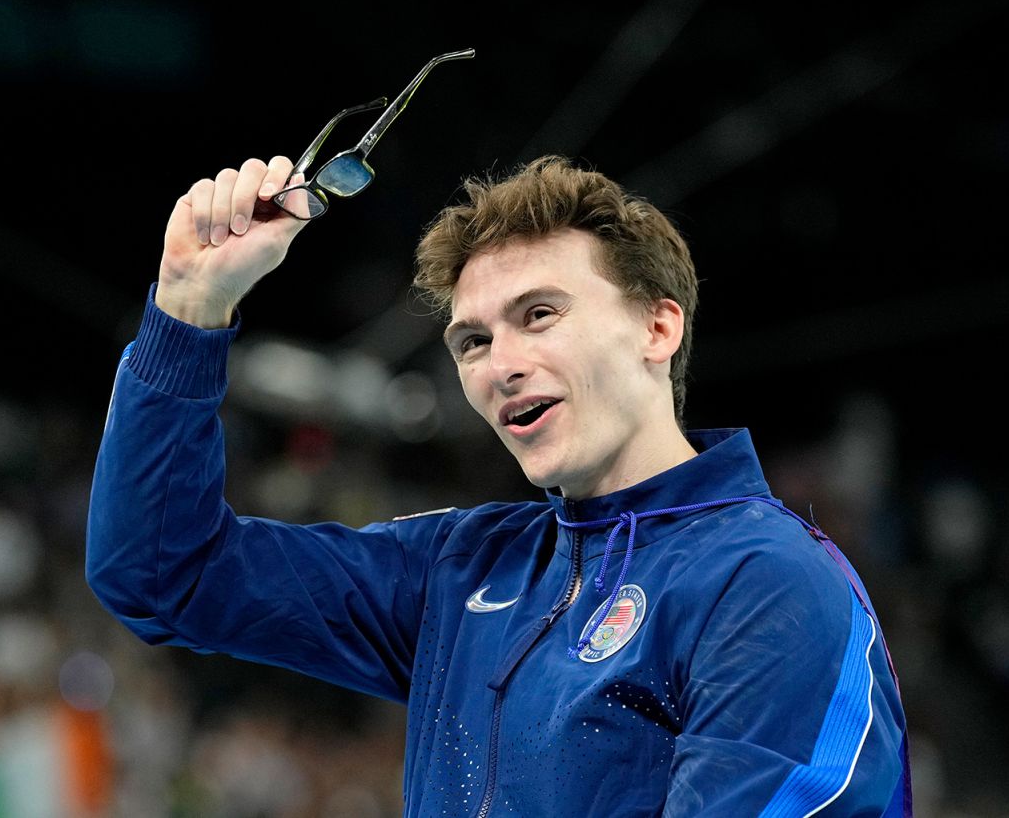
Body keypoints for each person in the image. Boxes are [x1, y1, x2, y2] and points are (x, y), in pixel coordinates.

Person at [86, 151, 911, 815]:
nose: (502, 365)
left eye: (540, 314)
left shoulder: (770, 584)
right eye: (472, 341)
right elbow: (164, 573)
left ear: (658, 327)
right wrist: (188, 311)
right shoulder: (466, 567)